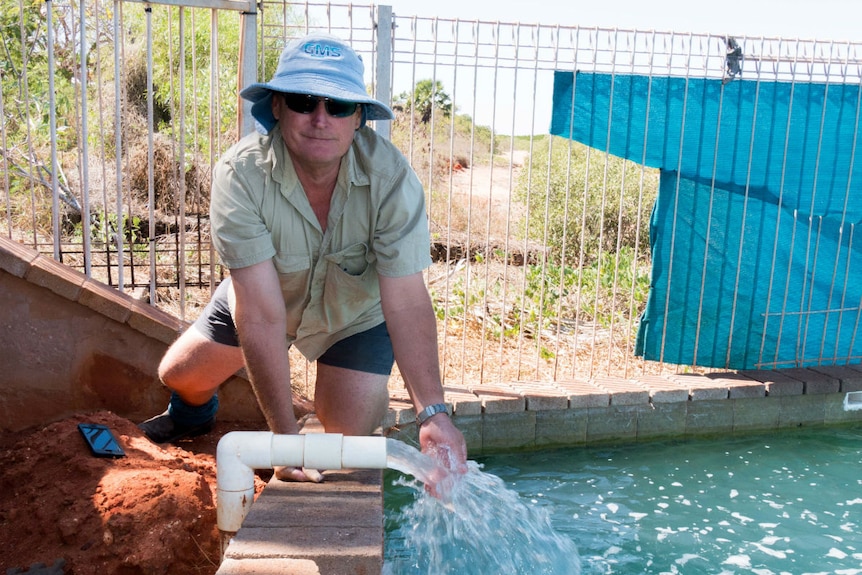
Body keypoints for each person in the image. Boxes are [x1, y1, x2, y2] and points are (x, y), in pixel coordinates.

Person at [139, 33, 467, 482]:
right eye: (302, 101)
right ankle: (192, 415)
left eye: (338, 106)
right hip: (259, 298)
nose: (319, 118)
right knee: (178, 375)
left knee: (348, 441)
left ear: (358, 119)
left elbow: (407, 299)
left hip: (355, 314)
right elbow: (259, 315)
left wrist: (433, 414)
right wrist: (285, 439)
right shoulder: (240, 176)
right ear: (276, 107)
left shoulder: (391, 178)